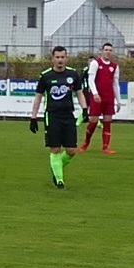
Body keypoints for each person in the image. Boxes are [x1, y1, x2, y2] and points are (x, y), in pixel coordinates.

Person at [29, 46, 87, 188]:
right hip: (52, 116)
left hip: (68, 115)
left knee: (71, 150)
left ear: (66, 58)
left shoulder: (72, 74)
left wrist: (85, 109)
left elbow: (79, 93)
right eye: (57, 57)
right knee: (55, 149)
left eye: (62, 57)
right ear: (53, 58)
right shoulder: (46, 76)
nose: (60, 60)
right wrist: (33, 117)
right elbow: (38, 97)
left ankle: (56, 167)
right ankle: (59, 180)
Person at [82, 42, 120, 153]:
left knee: (107, 121)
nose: (108, 52)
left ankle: (105, 147)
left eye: (110, 50)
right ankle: (86, 143)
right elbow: (91, 80)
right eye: (106, 50)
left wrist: (118, 101)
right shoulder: (95, 63)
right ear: (102, 51)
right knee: (93, 121)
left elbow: (115, 84)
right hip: (97, 97)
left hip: (109, 97)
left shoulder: (115, 66)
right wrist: (95, 93)